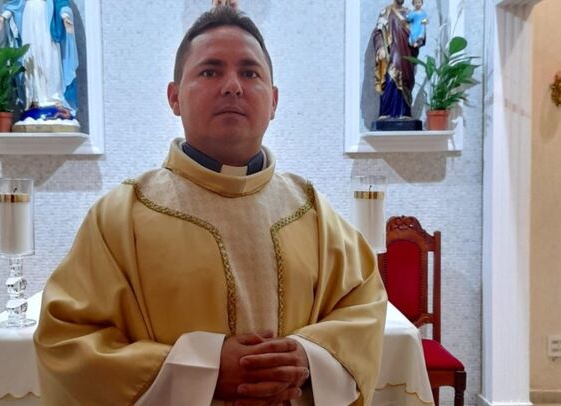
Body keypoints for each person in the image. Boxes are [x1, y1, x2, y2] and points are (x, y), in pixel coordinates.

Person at [34, 6, 386, 405]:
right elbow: (67, 343)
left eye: (250, 73)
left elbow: (364, 310)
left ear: (273, 101)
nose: (232, 86)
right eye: (210, 71)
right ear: (174, 97)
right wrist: (203, 369)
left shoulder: (312, 213)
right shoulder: (119, 218)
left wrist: (307, 358)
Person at [0, 0, 78, 121]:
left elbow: (61, 3)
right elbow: (16, 4)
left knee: (50, 57)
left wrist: (65, 16)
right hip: (29, 18)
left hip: (47, 19)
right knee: (30, 58)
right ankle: (34, 99)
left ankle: (54, 98)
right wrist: (3, 16)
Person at [373, 0, 418, 119]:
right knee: (390, 80)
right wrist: (380, 47)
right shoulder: (386, 12)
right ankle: (386, 112)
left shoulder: (410, 14)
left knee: (405, 81)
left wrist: (419, 39)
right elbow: (378, 32)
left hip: (407, 55)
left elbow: (418, 32)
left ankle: (405, 112)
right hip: (392, 53)